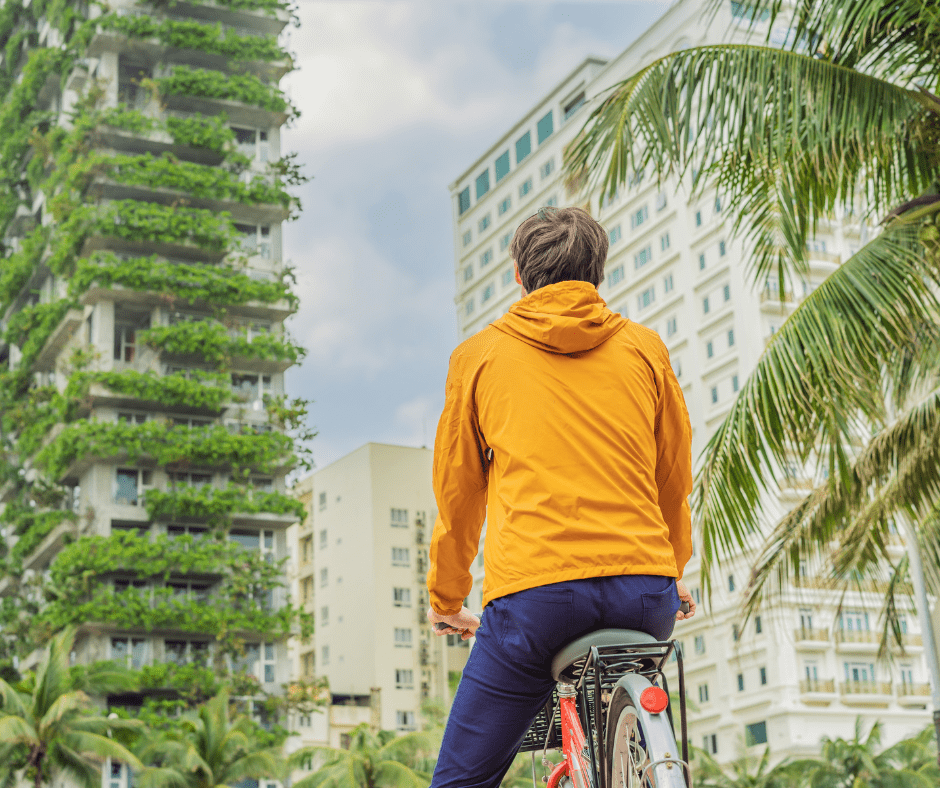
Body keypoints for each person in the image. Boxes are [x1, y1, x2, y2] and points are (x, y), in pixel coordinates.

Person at [426, 206, 695, 788]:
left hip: (537, 602)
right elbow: (672, 473)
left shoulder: (479, 357)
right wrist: (672, 571)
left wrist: (447, 597)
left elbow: (459, 492)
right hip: (645, 597)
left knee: (459, 782)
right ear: (598, 273)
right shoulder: (645, 349)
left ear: (518, 274)